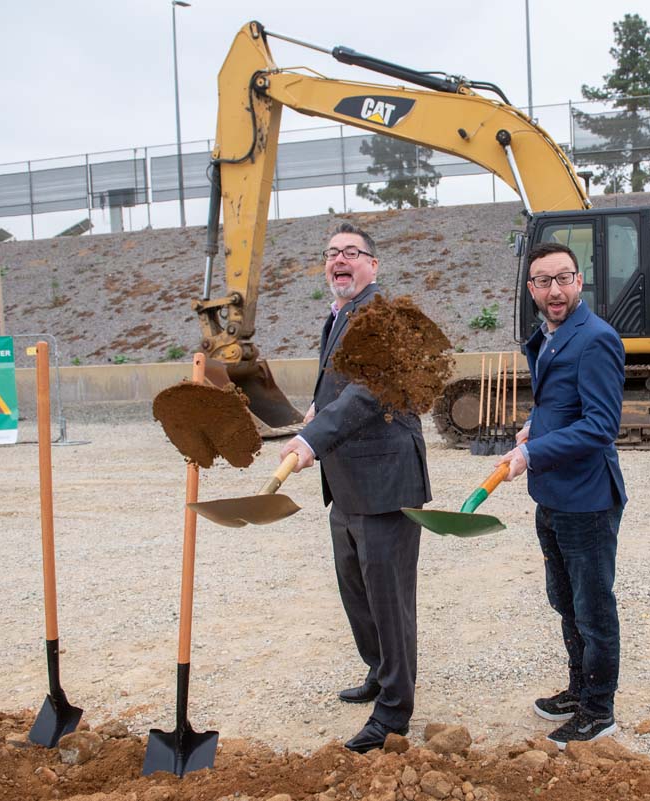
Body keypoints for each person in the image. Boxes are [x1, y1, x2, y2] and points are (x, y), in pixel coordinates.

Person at [279, 222, 431, 753]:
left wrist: (314, 437)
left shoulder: (382, 316)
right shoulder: (341, 313)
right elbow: (344, 386)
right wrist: (319, 410)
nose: (338, 260)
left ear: (373, 265)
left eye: (351, 252)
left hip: (385, 480)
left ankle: (393, 713)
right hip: (347, 481)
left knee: (388, 600)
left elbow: (371, 391)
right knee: (357, 590)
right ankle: (380, 671)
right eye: (331, 253)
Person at [497, 241, 627, 749]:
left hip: (588, 499)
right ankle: (579, 689)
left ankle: (599, 710)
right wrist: (536, 425)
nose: (555, 290)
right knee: (565, 601)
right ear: (531, 289)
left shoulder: (594, 338)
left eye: (563, 278)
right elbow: (565, 403)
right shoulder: (552, 336)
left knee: (593, 608)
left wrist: (532, 453)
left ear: (579, 281)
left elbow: (600, 426)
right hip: (554, 494)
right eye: (543, 281)